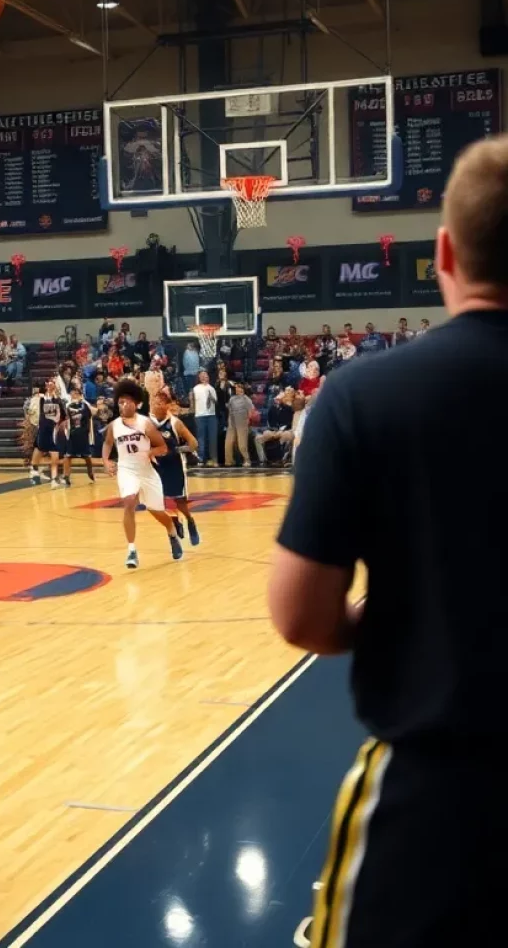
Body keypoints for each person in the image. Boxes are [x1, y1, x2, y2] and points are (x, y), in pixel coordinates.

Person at [267, 134, 508, 948]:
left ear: (444, 251)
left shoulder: (364, 395)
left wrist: (409, 612)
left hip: (438, 802)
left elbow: (301, 618)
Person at [103, 378, 182, 569]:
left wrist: (152, 452)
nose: (123, 405)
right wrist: (106, 461)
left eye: (127, 401)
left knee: (155, 510)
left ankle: (172, 531)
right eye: (120, 402)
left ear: (136, 403)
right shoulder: (114, 426)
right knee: (129, 502)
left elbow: (163, 446)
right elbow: (107, 444)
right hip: (126, 470)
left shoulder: (145, 423)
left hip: (146, 471)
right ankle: (131, 550)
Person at [149, 390, 200, 544]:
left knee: (180, 502)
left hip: (175, 465)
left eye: (159, 403)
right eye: (154, 402)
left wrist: (178, 450)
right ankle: (175, 523)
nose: (156, 405)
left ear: (167, 405)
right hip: (157, 466)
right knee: (162, 501)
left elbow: (193, 444)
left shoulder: (175, 422)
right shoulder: (148, 423)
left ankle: (190, 521)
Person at [28, 379, 67, 487]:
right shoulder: (40, 398)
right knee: (40, 448)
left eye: (52, 384)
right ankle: (34, 469)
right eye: (48, 384)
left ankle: (54, 479)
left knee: (54, 453)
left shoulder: (58, 400)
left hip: (53, 430)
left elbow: (63, 415)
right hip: (43, 428)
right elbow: (30, 408)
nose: (50, 386)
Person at [62, 386, 95, 485]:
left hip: (83, 433)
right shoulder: (67, 405)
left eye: (76, 393)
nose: (74, 394)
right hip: (72, 434)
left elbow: (91, 416)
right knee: (68, 456)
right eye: (72, 393)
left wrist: (88, 432)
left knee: (87, 457)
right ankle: (66, 476)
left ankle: (90, 472)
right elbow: (64, 418)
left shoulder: (85, 404)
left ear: (80, 394)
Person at [191, 370, 218, 466]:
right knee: (201, 438)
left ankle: (214, 459)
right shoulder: (195, 389)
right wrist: (193, 413)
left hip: (211, 416)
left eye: (205, 375)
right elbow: (192, 402)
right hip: (200, 416)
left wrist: (211, 397)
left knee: (212, 438)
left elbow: (215, 401)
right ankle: (201, 459)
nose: (203, 377)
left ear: (208, 377)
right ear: (199, 378)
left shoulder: (212, 389)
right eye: (201, 375)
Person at [224, 381, 254, 467]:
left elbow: (250, 412)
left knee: (242, 444)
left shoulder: (246, 399)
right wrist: (229, 421)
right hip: (232, 422)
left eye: (239, 387)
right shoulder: (232, 399)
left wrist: (248, 421)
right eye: (236, 387)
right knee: (228, 442)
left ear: (243, 389)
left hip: (242, 422)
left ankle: (247, 460)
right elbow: (230, 411)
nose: (237, 389)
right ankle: (229, 461)